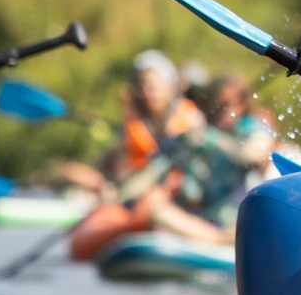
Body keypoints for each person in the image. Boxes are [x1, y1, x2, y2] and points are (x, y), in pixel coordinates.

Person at [59, 51, 201, 195]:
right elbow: (119, 162)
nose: (147, 93)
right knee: (70, 178)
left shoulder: (189, 116)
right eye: (142, 87)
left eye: (152, 87)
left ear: (169, 86)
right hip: (131, 187)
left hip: (172, 190)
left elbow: (180, 162)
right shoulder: (137, 121)